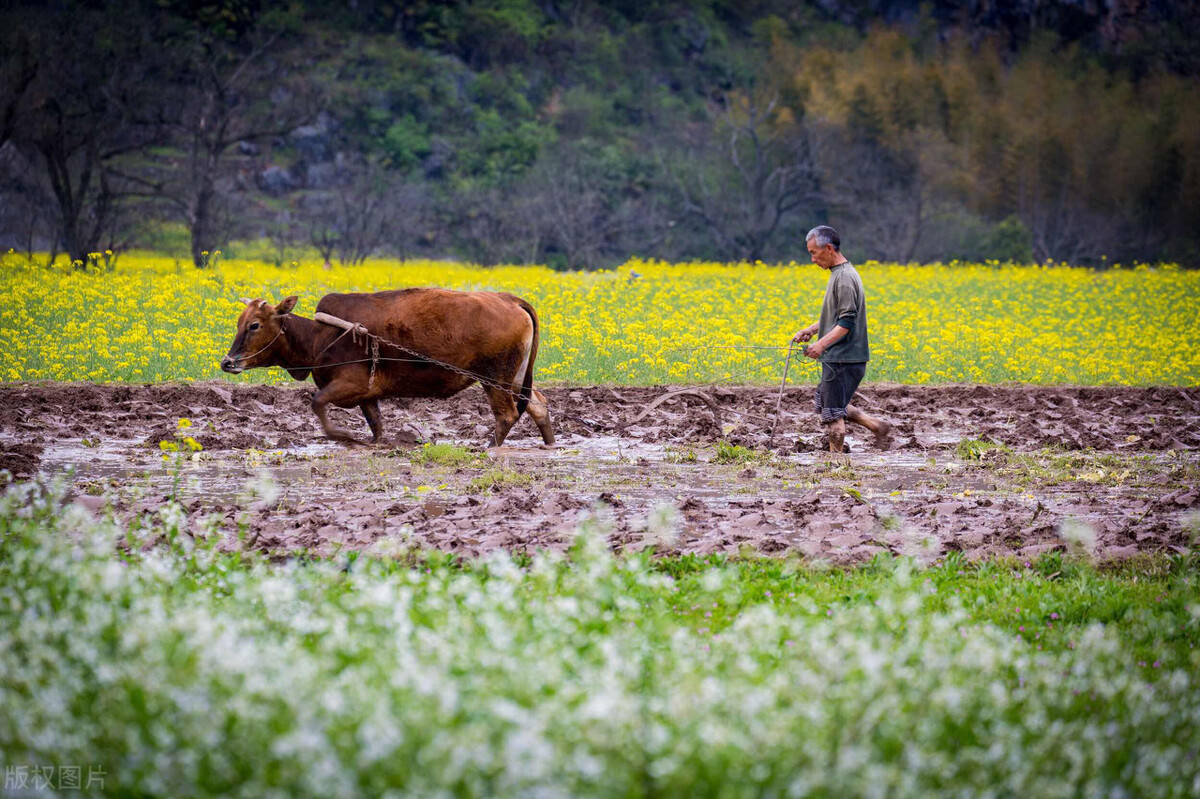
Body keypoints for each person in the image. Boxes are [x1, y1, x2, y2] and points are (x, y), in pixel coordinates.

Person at [791, 225, 892, 453]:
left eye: (813, 253)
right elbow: (837, 317)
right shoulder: (840, 274)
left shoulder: (844, 278)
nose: (812, 259)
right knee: (832, 404)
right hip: (841, 357)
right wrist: (812, 330)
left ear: (828, 248)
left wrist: (820, 345)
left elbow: (846, 324)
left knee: (833, 415)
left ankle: (836, 465)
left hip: (843, 358)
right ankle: (877, 426)